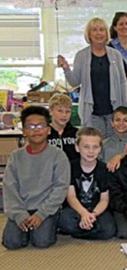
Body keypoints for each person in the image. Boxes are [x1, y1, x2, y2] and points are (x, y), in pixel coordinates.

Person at [2, 106, 70, 249]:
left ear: (48, 129)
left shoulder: (58, 156)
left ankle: (46, 226)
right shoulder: (16, 157)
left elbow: (61, 188)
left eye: (40, 126)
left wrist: (42, 214)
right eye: (30, 126)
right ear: (24, 131)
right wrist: (19, 214)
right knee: (11, 242)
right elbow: (9, 188)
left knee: (41, 242)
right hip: (22, 207)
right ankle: (26, 226)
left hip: (46, 208)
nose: (36, 130)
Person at [58, 17, 127, 138]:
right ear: (89, 34)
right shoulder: (81, 55)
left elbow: (123, 82)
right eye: (94, 30)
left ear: (106, 34)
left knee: (115, 144)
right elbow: (74, 82)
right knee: (96, 145)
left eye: (101, 30)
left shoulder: (115, 55)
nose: (98, 33)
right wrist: (66, 68)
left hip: (114, 111)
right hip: (93, 112)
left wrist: (125, 108)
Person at [58, 127, 116, 240]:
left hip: (97, 209)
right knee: (64, 221)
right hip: (76, 209)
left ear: (100, 149)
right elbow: (71, 196)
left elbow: (104, 199)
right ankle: (89, 227)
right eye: (86, 147)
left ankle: (82, 229)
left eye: (95, 147)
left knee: (109, 230)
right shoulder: (70, 167)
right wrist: (84, 213)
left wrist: (93, 214)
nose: (91, 151)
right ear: (77, 147)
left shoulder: (103, 169)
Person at [47, 93, 79, 161]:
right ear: (50, 111)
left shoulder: (77, 134)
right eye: (60, 111)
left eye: (68, 111)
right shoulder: (43, 133)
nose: (64, 115)